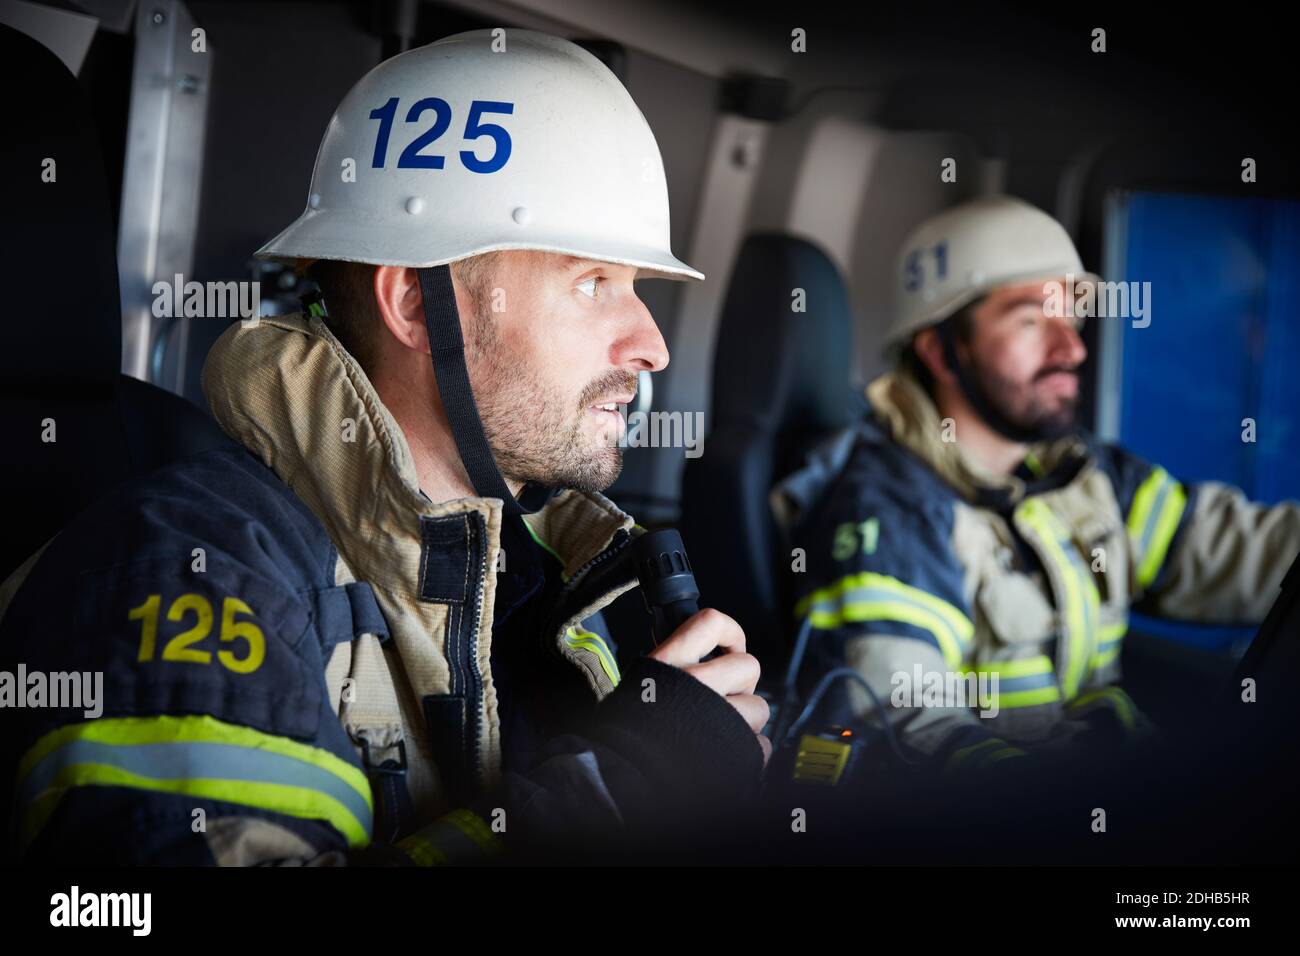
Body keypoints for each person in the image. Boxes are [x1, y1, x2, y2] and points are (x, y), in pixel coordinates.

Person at [0, 29, 767, 866]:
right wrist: (629, 788)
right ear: (414, 306)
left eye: (637, 290)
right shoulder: (190, 569)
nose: (651, 346)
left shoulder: (550, 575)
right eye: (591, 284)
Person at [780, 195, 1300, 771]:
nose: (1072, 348)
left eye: (1071, 315)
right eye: (1031, 321)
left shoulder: (1085, 474)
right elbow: (908, 721)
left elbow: (1247, 554)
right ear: (942, 352)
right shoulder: (888, 507)